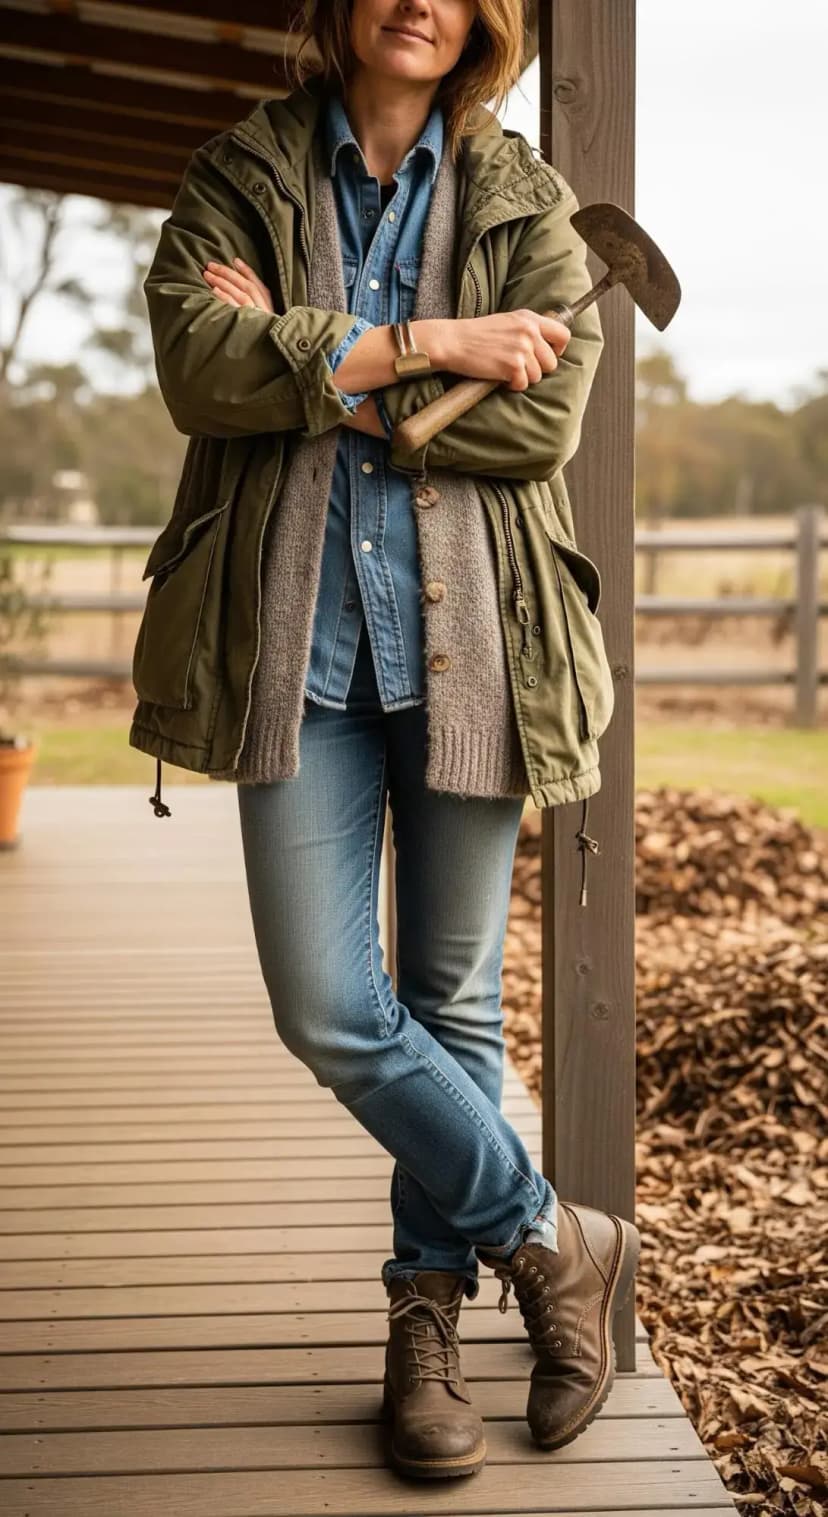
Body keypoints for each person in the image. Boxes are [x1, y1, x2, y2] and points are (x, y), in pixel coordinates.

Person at [135, 0, 640, 1484]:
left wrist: (324, 379)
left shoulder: (532, 205)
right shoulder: (240, 171)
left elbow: (537, 433)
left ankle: (424, 1321)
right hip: (294, 653)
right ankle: (557, 1236)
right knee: (328, 1004)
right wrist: (428, 343)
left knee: (453, 997)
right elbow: (193, 371)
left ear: (485, 17)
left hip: (475, 646)